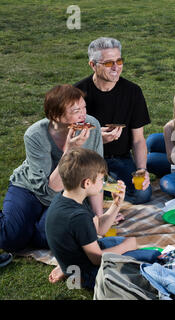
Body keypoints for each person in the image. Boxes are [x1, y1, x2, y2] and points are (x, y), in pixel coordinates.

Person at [0, 85, 103, 253]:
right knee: (10, 240)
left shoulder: (93, 126)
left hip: (68, 192)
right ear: (56, 115)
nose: (83, 115)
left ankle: (27, 227)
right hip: (30, 188)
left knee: (47, 238)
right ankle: (20, 227)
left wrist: (99, 217)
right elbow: (50, 189)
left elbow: (96, 173)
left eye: (84, 107)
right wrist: (69, 152)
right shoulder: (34, 135)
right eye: (76, 110)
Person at [45, 148, 161, 289]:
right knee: (147, 263)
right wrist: (125, 247)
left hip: (78, 257)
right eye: (101, 179)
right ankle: (67, 269)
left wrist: (116, 204)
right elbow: (97, 259)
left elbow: (100, 228)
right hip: (88, 274)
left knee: (130, 246)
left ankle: (65, 266)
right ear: (87, 183)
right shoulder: (78, 217)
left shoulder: (68, 197)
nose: (104, 183)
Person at [75, 37, 151, 205]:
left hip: (120, 158)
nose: (116, 67)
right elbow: (69, 140)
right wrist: (96, 139)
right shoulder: (78, 93)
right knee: (78, 196)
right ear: (93, 65)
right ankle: (101, 190)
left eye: (119, 60)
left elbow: (138, 139)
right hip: (88, 158)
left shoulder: (133, 92)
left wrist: (142, 170)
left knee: (142, 195)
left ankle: (102, 189)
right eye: (108, 63)